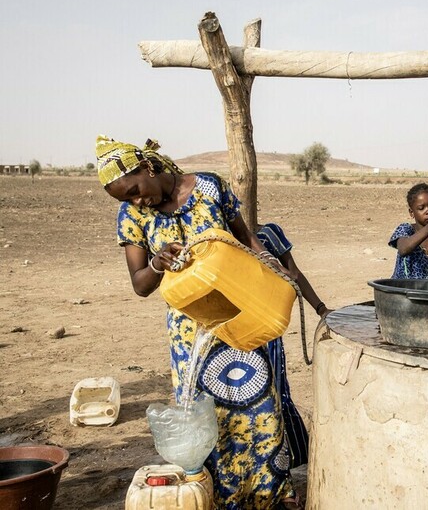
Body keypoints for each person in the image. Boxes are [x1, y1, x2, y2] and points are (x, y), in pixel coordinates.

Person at [96, 135, 302, 509]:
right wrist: (158, 262)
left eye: (135, 190)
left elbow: (246, 238)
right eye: (126, 199)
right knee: (206, 416)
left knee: (258, 403)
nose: (136, 201)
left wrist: (269, 263)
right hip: (191, 333)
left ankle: (271, 493)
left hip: (243, 314)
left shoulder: (209, 186)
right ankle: (219, 498)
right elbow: (140, 284)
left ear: (149, 167)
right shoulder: (133, 217)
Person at [257, 222, 330, 470]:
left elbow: (295, 274)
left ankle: (279, 467)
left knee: (274, 393)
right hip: (229, 333)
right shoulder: (219, 235)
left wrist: (321, 309)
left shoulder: (267, 235)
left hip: (267, 332)